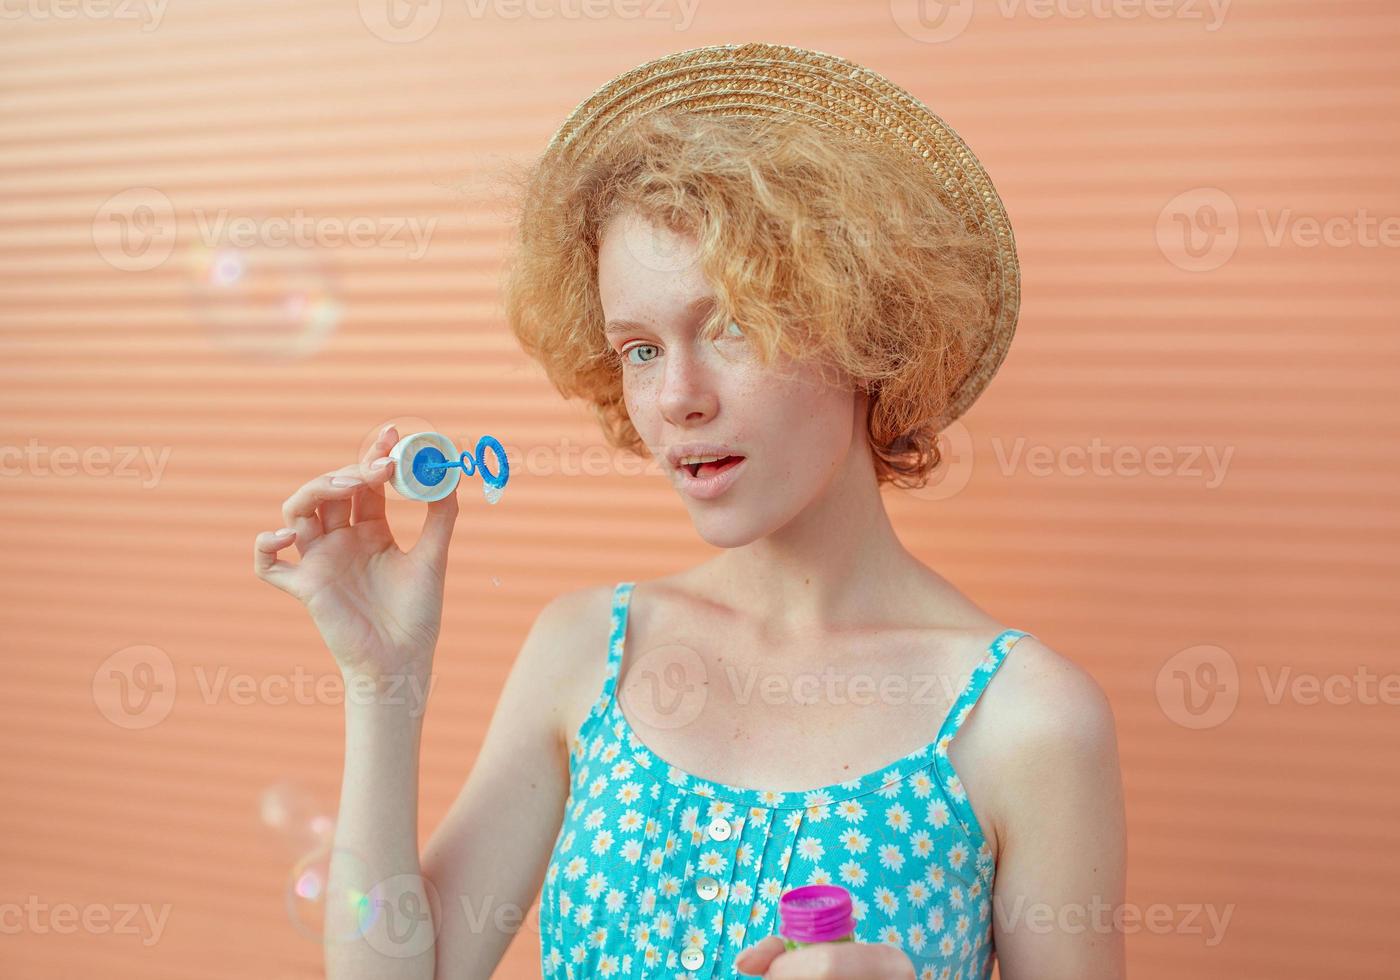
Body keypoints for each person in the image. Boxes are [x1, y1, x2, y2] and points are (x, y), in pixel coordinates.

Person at [253, 43, 1126, 980]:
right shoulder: (586, 648)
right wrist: (382, 678)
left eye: (734, 327)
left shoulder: (1027, 718)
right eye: (637, 348)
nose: (677, 398)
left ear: (867, 332)